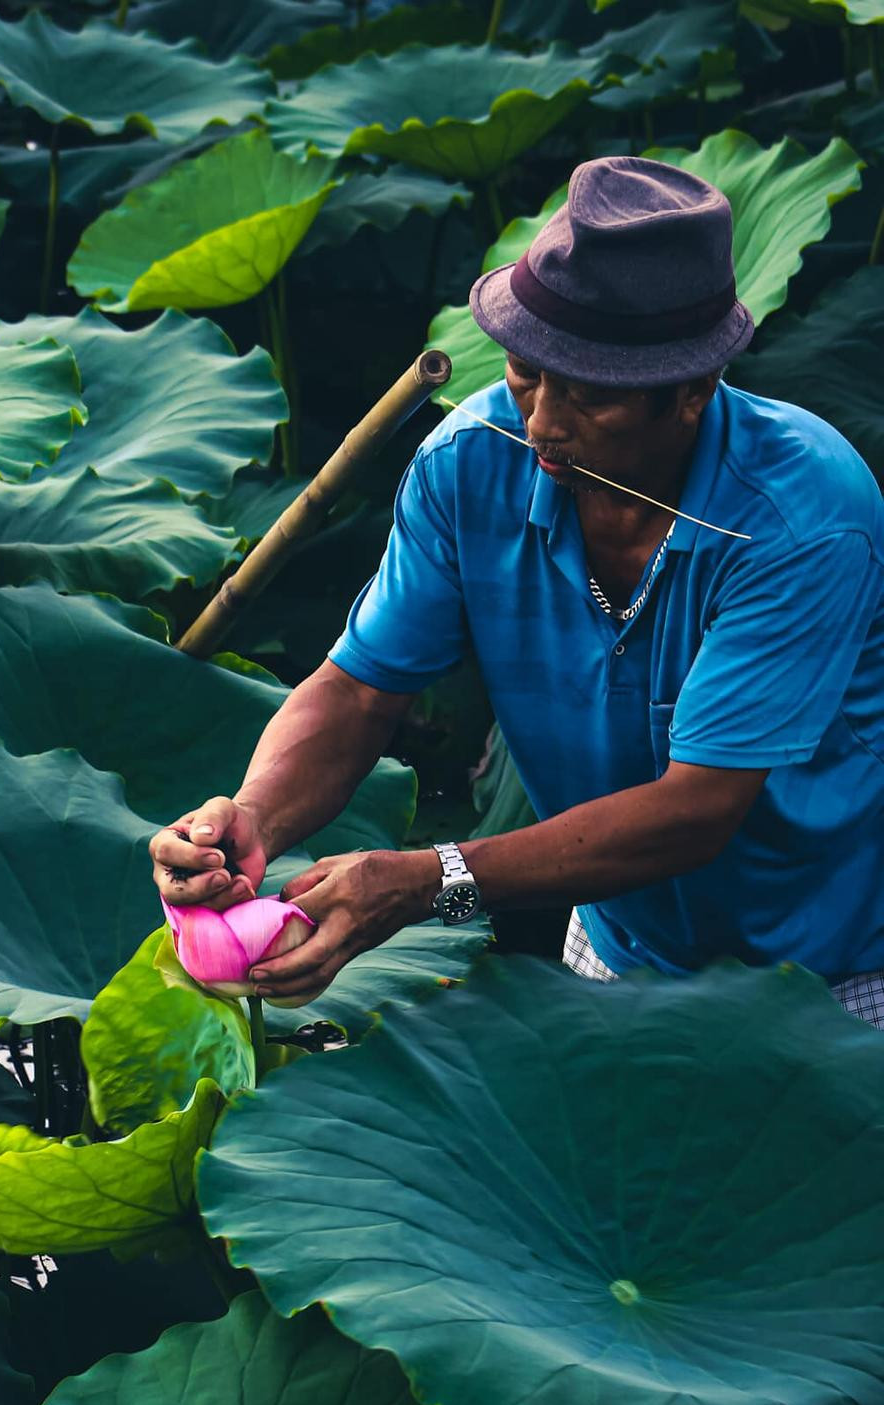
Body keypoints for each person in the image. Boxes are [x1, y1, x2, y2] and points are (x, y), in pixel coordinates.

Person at [150, 155, 884, 1023]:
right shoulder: (469, 462)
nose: (540, 422)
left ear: (689, 393)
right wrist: (253, 820)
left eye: (587, 396)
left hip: (834, 971)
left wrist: (429, 882)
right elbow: (355, 692)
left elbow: (697, 811)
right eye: (525, 371)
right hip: (618, 947)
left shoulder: (805, 519)